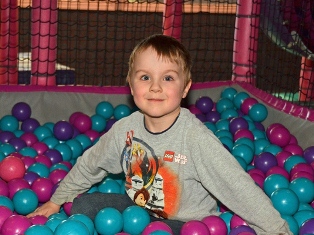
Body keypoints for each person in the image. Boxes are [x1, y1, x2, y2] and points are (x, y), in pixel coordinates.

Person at [27, 34, 292, 235]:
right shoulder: (125, 131)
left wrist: (278, 229)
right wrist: (56, 200)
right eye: (144, 77)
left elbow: (236, 186)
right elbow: (90, 164)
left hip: (185, 224)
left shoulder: (194, 138)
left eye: (167, 78)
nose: (155, 87)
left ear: (185, 88)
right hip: (138, 210)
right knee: (84, 207)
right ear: (130, 85)